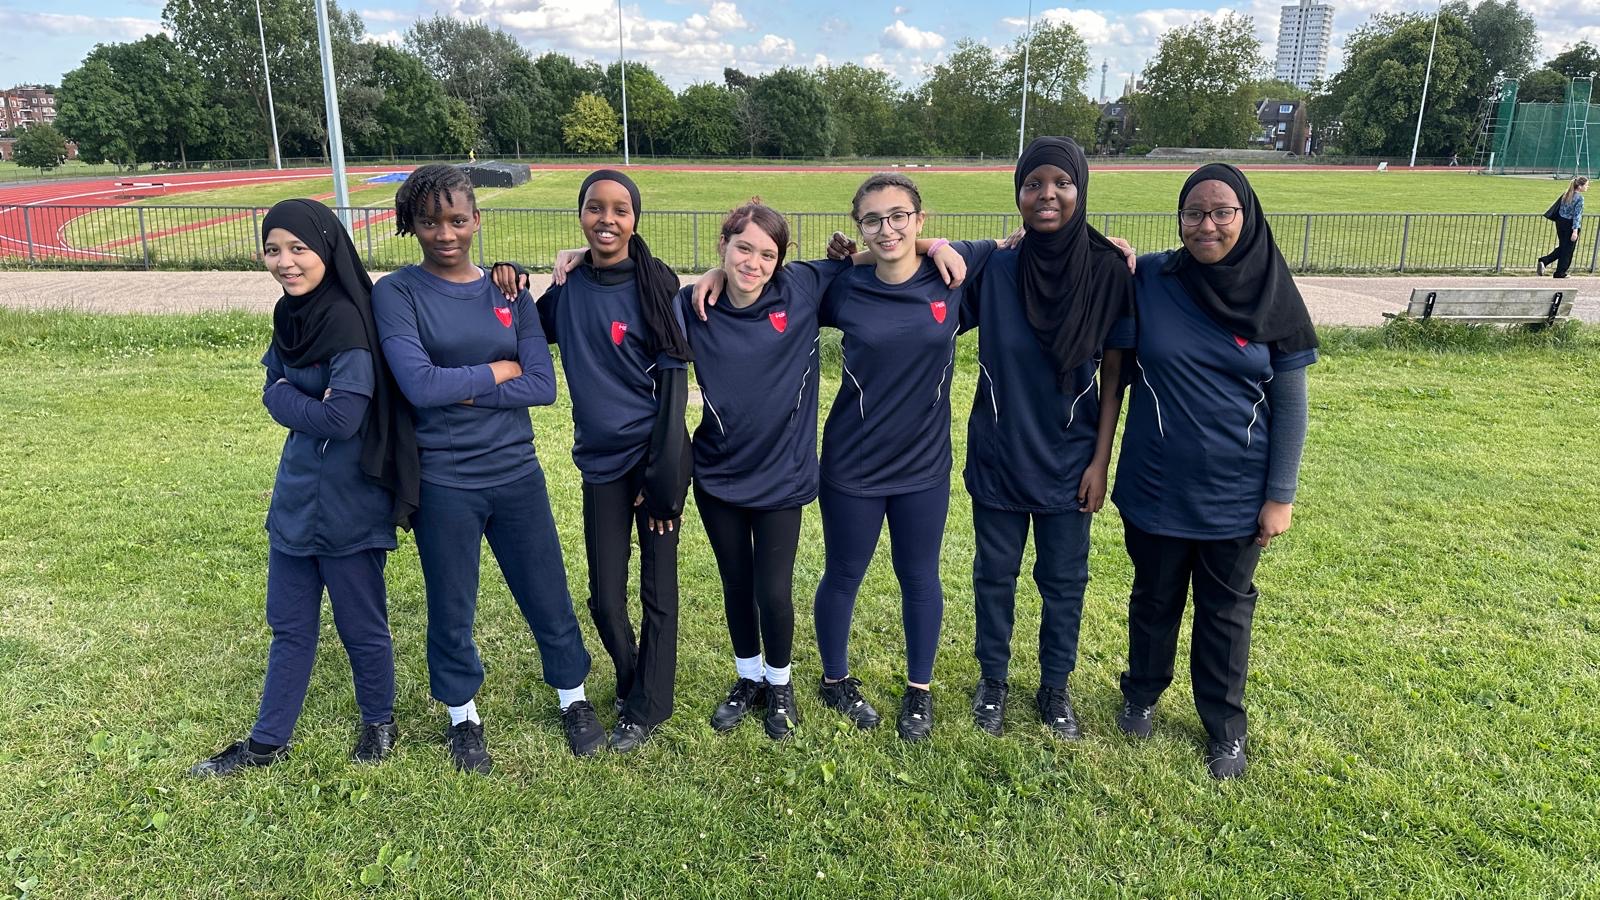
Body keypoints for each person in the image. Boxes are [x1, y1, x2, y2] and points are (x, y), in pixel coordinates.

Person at [372, 164, 603, 772]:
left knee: (547, 592)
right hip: (445, 478)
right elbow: (419, 386)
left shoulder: (508, 292)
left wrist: (467, 386)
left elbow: (542, 387)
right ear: (412, 226)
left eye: (456, 219)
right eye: (429, 222)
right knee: (452, 604)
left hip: (516, 472)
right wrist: (499, 372)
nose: (444, 233)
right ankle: (462, 715)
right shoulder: (395, 293)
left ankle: (572, 697)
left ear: (476, 219)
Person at [191, 199, 420, 777]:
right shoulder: (287, 314)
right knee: (289, 626)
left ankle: (379, 721)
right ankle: (267, 744)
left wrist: (284, 400)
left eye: (299, 249)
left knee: (360, 624)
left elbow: (342, 419)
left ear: (327, 249)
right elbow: (271, 386)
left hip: (350, 501)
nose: (285, 263)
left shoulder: (348, 318)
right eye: (273, 249)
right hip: (295, 498)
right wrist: (294, 401)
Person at [1110, 163, 1318, 780]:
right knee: (1153, 597)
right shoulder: (1150, 277)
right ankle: (1141, 694)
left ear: (1245, 216)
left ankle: (1225, 728)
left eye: (1222, 212)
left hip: (1236, 490)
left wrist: (1280, 495)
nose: (1207, 224)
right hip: (1154, 481)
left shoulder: (1272, 291)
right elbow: (1069, 249)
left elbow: (1291, 403)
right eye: (1194, 212)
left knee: (1225, 613)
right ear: (1179, 219)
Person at [960, 137, 1136, 741]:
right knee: (995, 575)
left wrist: (1100, 459)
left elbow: (1114, 376)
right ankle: (993, 683)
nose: (1047, 195)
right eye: (1034, 183)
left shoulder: (1111, 270)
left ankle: (1055, 687)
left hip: (1072, 460)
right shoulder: (998, 268)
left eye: (1061, 182)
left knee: (1064, 580)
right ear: (1018, 194)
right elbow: (915, 277)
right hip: (1000, 451)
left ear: (1081, 189)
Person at [810, 173, 994, 742]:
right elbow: (768, 278)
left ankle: (919, 691)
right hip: (852, 464)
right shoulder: (841, 285)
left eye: (898, 216)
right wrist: (717, 271)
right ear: (858, 226)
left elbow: (1024, 246)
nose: (886, 228)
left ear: (920, 219)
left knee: (920, 576)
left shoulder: (954, 276)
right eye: (872, 219)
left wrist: (1112, 251)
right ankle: (835, 680)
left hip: (923, 466)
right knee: (843, 573)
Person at [529, 170, 695, 754]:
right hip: (599, 464)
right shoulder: (569, 289)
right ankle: (631, 680)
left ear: (635, 219)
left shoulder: (656, 286)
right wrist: (502, 277)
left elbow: (674, 391)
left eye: (620, 209)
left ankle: (650, 705)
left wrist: (665, 479)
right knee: (604, 596)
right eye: (595, 208)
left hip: (656, 462)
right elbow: (518, 325)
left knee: (658, 591)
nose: (607, 219)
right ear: (580, 215)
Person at [1538, 176, 1587, 279]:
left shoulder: (1566, 194)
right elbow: (1577, 215)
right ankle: (1559, 272)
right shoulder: (1579, 198)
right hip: (1570, 225)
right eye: (1586, 185)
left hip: (1560, 223)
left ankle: (1545, 261)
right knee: (1568, 250)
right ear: (1579, 186)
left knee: (1563, 247)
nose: (1587, 187)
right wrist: (1575, 231)